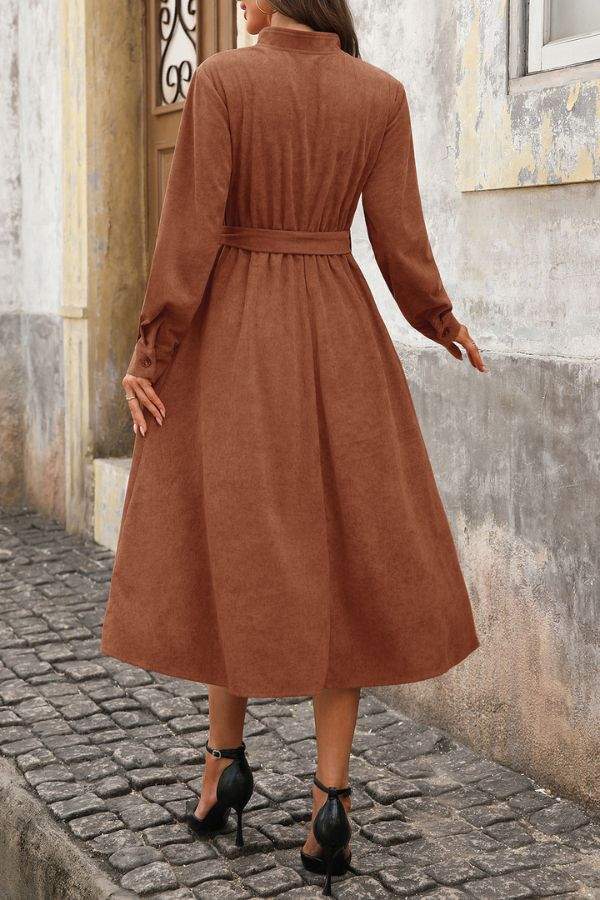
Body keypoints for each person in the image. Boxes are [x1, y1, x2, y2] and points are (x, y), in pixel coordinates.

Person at [101, 0, 484, 892]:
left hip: (235, 339)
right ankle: (329, 804)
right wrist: (439, 320)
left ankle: (221, 769)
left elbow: (190, 232)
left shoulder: (222, 81)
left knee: (230, 542)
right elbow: (398, 239)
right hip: (340, 335)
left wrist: (151, 352)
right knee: (341, 557)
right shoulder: (378, 94)